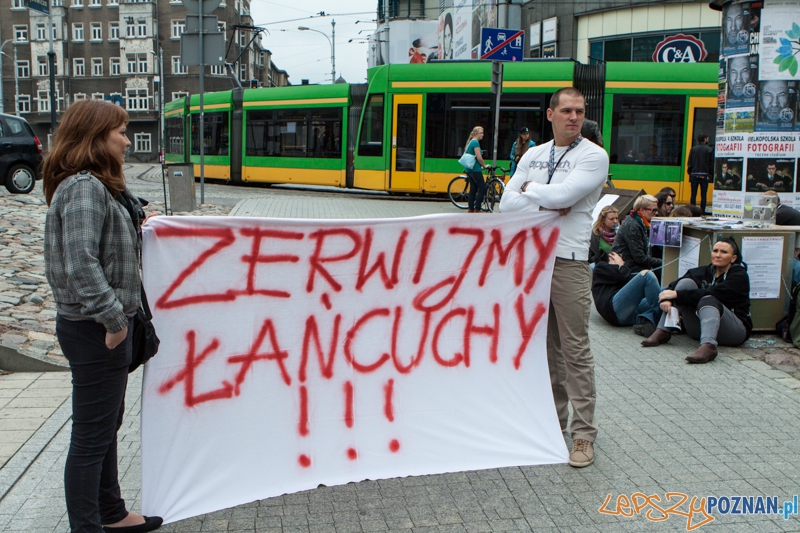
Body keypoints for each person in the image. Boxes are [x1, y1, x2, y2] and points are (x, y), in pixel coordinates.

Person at [43, 100, 163, 533]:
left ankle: (111, 513)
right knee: (91, 436)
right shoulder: (83, 187)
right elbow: (80, 262)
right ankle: (88, 525)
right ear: (96, 136)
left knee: (106, 424)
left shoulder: (100, 187)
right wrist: (114, 322)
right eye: (121, 131)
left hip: (104, 326)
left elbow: (106, 244)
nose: (127, 140)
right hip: (96, 328)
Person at [500, 87, 609, 468]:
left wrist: (532, 192)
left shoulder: (594, 156)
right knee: (544, 348)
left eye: (579, 111)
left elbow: (564, 197)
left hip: (569, 261)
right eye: (566, 111)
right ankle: (553, 423)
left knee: (574, 350)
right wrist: (543, 196)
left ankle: (583, 435)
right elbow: (505, 201)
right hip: (531, 261)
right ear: (550, 114)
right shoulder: (533, 154)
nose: (573, 117)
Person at [642, 238, 752, 364]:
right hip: (698, 329)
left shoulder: (739, 276)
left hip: (735, 331)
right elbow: (678, 282)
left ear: (733, 258)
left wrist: (676, 295)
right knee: (686, 283)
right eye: (715, 251)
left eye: (724, 252)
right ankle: (663, 331)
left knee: (708, 299)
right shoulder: (708, 271)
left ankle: (709, 346)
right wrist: (668, 299)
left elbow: (713, 293)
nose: (718, 255)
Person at [591, 251, 661, 336]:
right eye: (620, 256)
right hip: (613, 310)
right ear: (612, 256)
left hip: (626, 313)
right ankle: (662, 321)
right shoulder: (600, 267)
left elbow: (628, 282)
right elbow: (622, 274)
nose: (623, 261)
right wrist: (622, 265)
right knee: (647, 275)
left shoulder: (612, 271)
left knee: (667, 290)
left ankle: (646, 320)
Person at [611, 194, 662, 275]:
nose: (656, 213)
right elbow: (640, 258)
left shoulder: (641, 223)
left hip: (635, 268)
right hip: (628, 272)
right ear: (642, 210)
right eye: (654, 210)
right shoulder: (632, 225)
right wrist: (663, 262)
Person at [687, 133, 714, 214]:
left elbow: (690, 162)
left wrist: (690, 172)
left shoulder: (693, 149)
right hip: (705, 175)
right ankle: (702, 211)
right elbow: (711, 164)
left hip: (694, 174)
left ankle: (692, 211)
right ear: (705, 139)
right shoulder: (710, 149)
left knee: (693, 194)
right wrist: (710, 174)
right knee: (703, 195)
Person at [463, 126, 486, 213]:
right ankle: (478, 208)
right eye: (481, 133)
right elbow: (479, 157)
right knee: (482, 188)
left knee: (473, 188)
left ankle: (471, 208)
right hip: (475, 169)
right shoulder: (475, 143)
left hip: (469, 169)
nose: (482, 135)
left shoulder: (470, 142)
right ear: (476, 134)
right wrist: (483, 166)